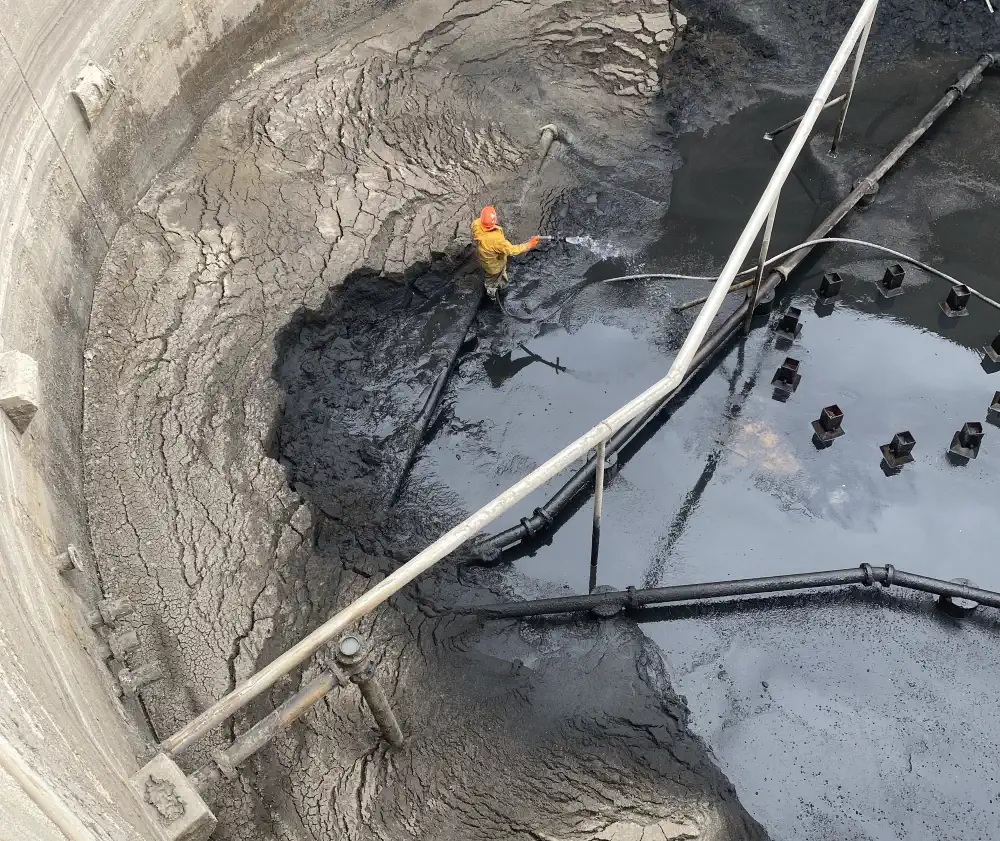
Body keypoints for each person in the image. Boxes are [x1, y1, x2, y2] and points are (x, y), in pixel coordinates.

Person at [471, 206, 541, 302]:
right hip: (494, 266)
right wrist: (529, 244)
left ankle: (502, 284)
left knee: (501, 274)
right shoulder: (497, 240)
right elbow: (512, 250)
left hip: (487, 259)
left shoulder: (476, 224)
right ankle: (491, 294)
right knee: (492, 280)